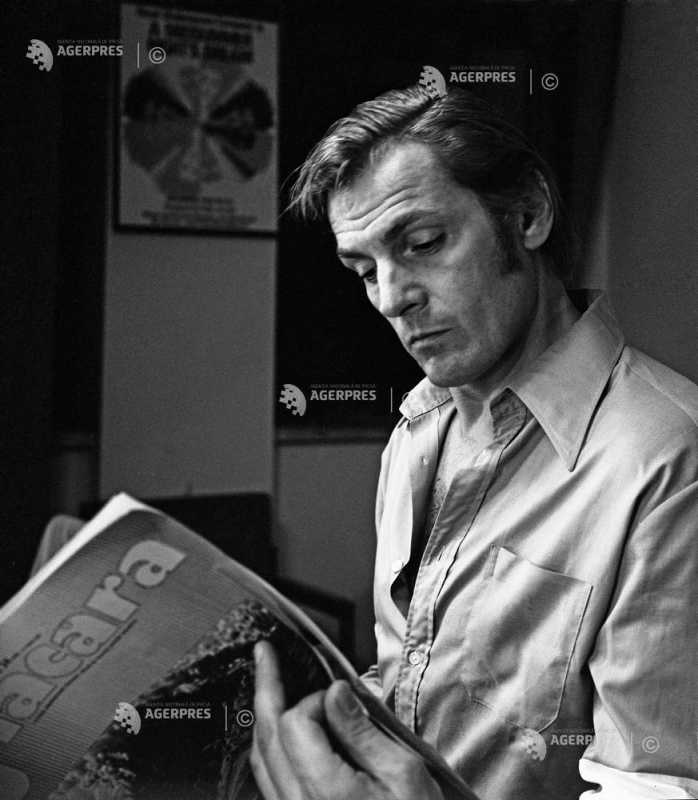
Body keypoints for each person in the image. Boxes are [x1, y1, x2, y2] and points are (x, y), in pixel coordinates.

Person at [251, 86, 698, 799]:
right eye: (364, 271)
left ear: (528, 214)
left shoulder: (669, 457)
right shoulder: (415, 432)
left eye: (423, 244)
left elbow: (655, 789)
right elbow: (413, 684)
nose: (391, 297)